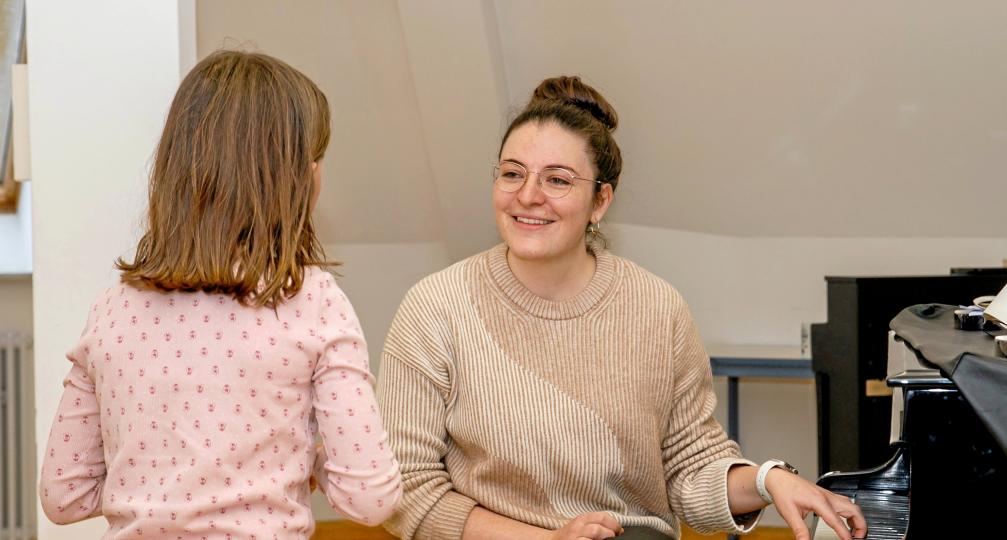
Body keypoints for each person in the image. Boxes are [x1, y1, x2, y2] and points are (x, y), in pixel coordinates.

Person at [376, 76, 865, 540]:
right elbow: (405, 489)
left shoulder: (657, 308)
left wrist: (768, 480)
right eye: (512, 174)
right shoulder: (435, 308)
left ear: (600, 201)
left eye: (558, 180)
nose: (528, 196)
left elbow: (690, 468)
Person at [39, 50, 403, 537]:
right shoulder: (313, 301)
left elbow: (63, 495)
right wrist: (311, 464)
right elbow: (370, 497)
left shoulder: (112, 309)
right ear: (298, 178)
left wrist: (157, 479)